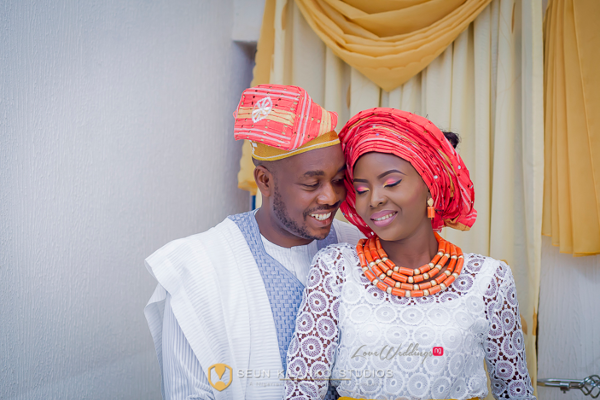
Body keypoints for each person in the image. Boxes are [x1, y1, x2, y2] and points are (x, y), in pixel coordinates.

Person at [284, 109, 536, 400]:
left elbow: (515, 392)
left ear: (431, 185)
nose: (374, 199)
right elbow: (302, 389)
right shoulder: (336, 268)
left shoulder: (489, 281)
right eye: (362, 189)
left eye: (391, 183)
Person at [144, 84, 363, 400]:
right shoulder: (200, 267)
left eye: (339, 181)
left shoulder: (356, 247)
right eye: (312, 183)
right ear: (265, 180)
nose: (330, 196)